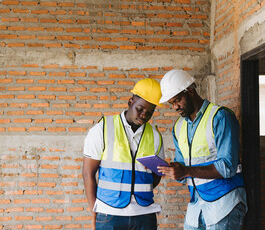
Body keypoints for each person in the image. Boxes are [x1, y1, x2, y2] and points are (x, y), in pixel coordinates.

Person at [157, 69, 247, 230]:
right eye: (172, 103)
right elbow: (183, 170)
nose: (175, 107)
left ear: (190, 92)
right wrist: (173, 170)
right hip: (197, 205)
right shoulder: (178, 127)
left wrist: (186, 171)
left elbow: (227, 166)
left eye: (177, 100)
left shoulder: (220, 117)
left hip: (224, 203)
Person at [82, 78, 164, 230]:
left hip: (145, 214)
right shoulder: (103, 128)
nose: (144, 115)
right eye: (140, 109)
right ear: (130, 101)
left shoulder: (154, 135)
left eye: (150, 112)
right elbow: (88, 173)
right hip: (109, 213)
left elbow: (157, 174)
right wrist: (94, 211)